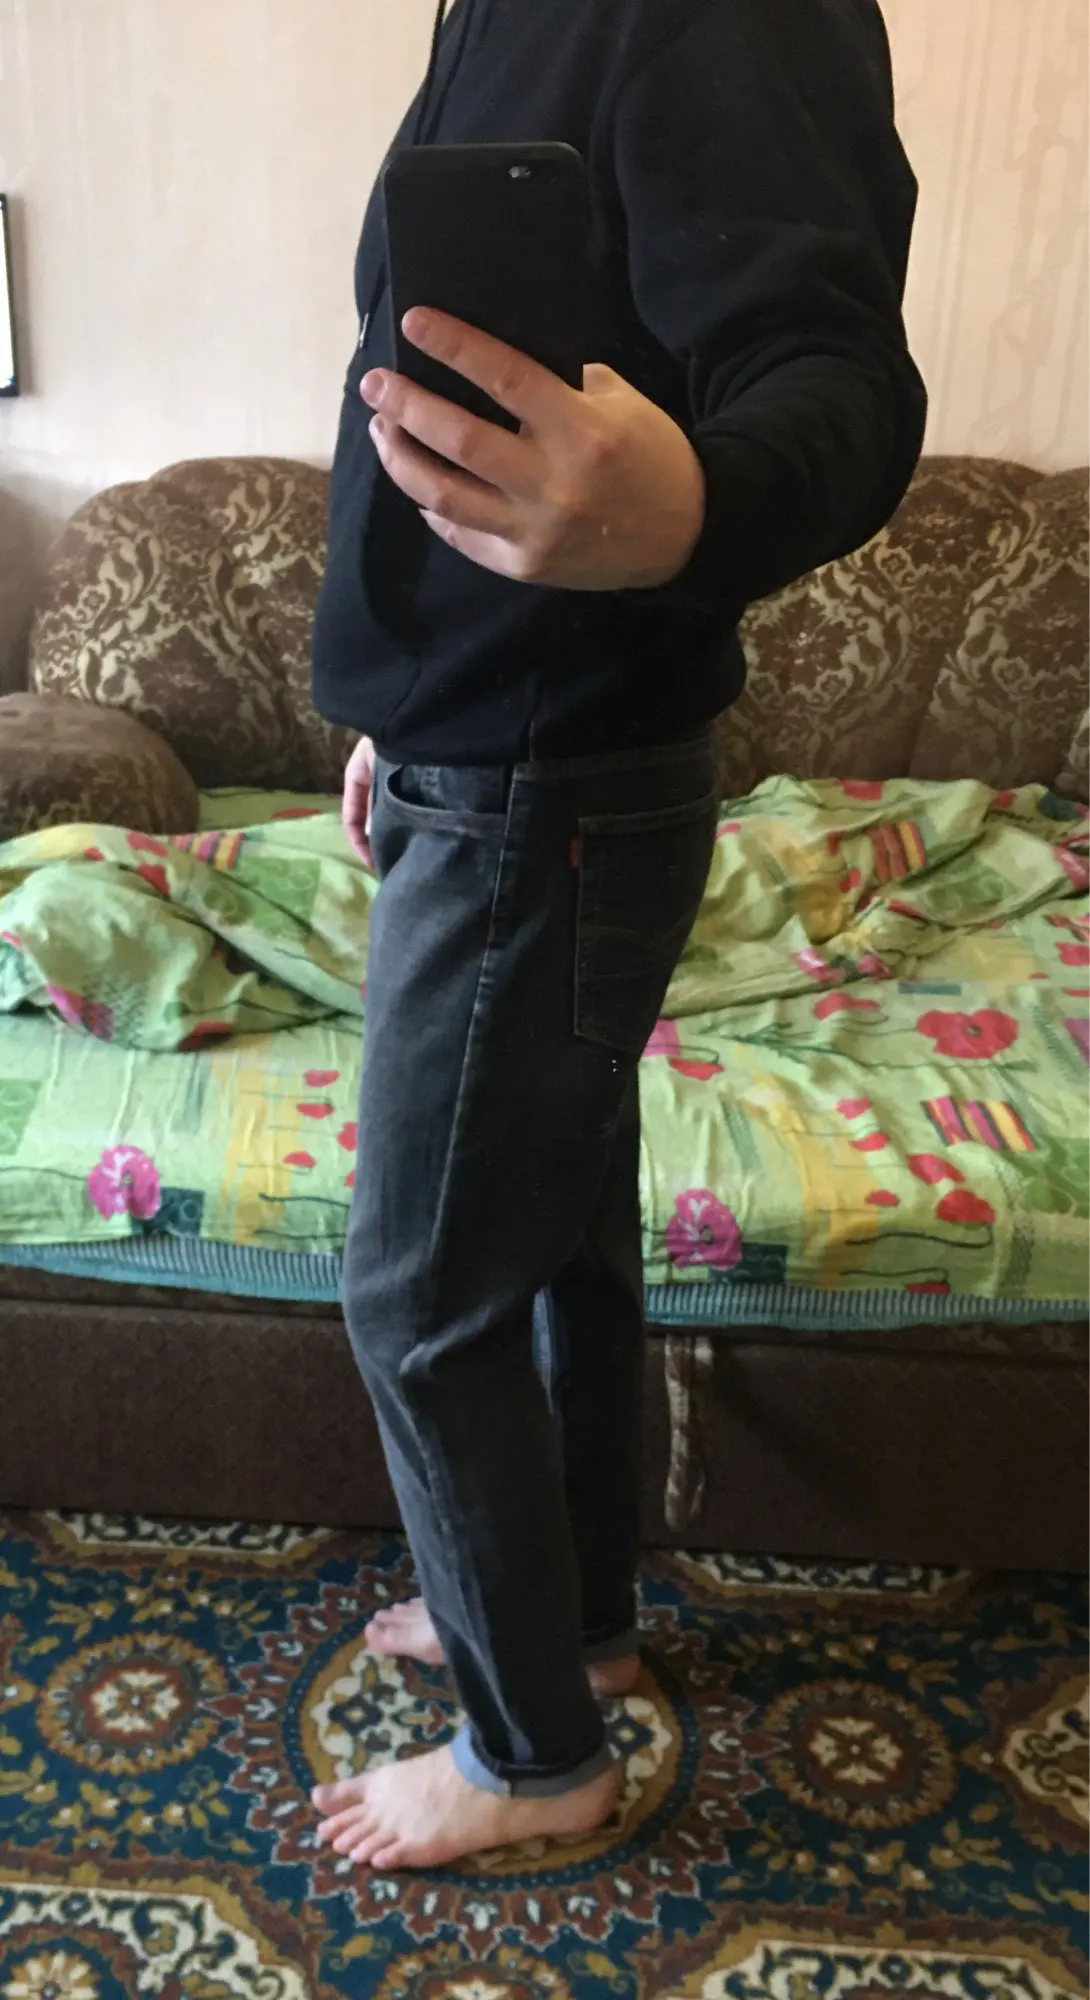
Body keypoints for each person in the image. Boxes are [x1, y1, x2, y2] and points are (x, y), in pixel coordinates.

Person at [309, 0, 926, 1872]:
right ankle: (566, 1628)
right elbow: (444, 401)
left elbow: (836, 373)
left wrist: (697, 509)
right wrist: (399, 707)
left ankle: (533, 1761)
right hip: (486, 753)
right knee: (551, 1243)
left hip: (544, 787)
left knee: (418, 1299)